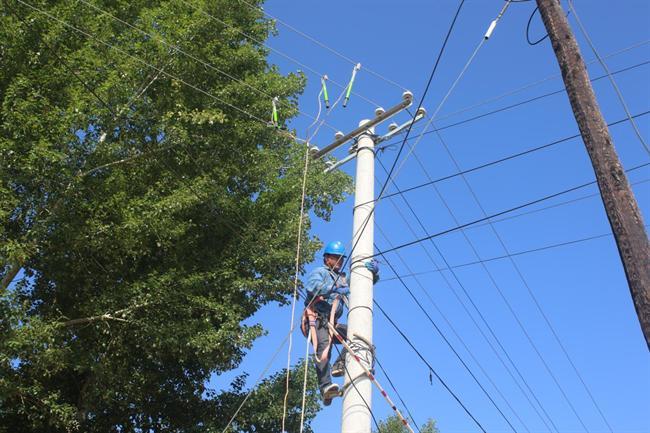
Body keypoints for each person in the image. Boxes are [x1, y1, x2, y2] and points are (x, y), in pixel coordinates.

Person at [303, 240, 379, 405]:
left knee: (359, 338)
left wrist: (371, 273)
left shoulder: (342, 278)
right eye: (336, 258)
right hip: (318, 319)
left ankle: (339, 365)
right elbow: (312, 287)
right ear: (326, 258)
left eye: (341, 258)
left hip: (333, 322)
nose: (339, 261)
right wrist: (332, 288)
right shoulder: (320, 272)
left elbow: (359, 283)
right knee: (323, 349)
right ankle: (326, 387)